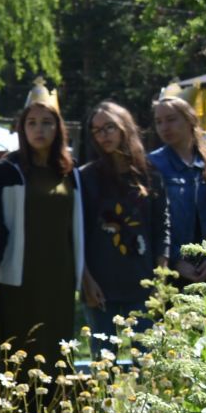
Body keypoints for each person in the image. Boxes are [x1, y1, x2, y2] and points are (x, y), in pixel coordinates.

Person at [0, 80, 84, 413]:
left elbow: (78, 229)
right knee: (18, 362)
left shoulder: (70, 172)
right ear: (22, 128)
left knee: (58, 358)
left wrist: (83, 273)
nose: (39, 129)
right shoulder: (7, 172)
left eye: (47, 122)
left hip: (58, 284)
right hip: (18, 283)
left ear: (59, 128)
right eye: (32, 123)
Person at [78, 101, 170, 356]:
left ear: (124, 128)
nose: (103, 135)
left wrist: (160, 278)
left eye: (109, 127)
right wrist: (86, 281)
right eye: (96, 130)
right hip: (100, 287)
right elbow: (77, 234)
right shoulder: (86, 177)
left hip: (143, 284)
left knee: (149, 363)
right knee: (103, 365)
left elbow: (163, 228)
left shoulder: (150, 175)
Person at [151, 90, 206, 283]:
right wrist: (176, 261)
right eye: (158, 122)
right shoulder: (152, 165)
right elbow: (150, 222)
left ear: (190, 120)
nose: (164, 127)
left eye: (171, 119)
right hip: (172, 272)